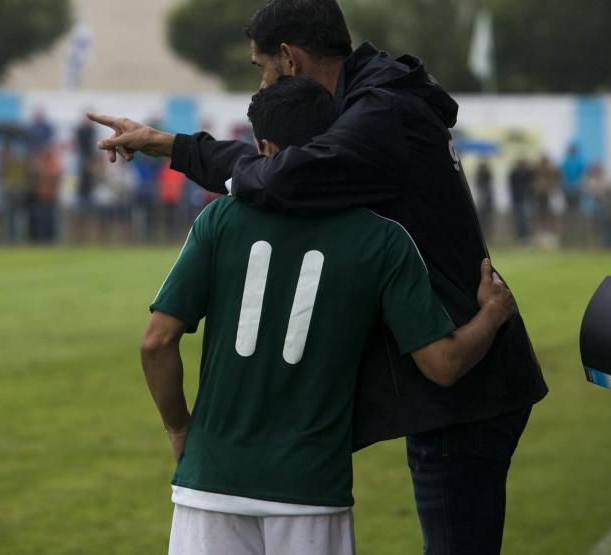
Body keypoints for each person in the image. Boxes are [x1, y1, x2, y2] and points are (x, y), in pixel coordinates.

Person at [92, 0, 547, 554]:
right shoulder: (376, 98)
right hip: (454, 372)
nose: (261, 85)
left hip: (468, 375)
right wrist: (173, 145)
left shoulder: (381, 111)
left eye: (263, 69)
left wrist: (186, 151)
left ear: (290, 58)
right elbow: (285, 166)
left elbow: (282, 175)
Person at [142, 76, 517, 555]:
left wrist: (179, 428)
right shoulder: (382, 240)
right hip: (312, 492)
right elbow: (443, 365)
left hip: (210, 483)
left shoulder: (219, 221)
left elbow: (155, 342)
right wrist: (492, 312)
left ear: (265, 147)